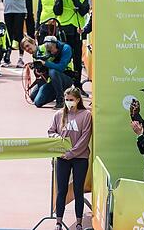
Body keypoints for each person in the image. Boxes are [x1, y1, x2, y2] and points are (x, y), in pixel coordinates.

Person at [48, 87, 91, 230]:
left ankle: (79, 222)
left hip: (80, 158)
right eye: (66, 100)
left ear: (78, 100)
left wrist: (72, 153)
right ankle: (58, 222)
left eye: (71, 100)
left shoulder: (86, 115)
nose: (68, 102)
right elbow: (51, 131)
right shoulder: (59, 115)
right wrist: (57, 138)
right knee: (62, 190)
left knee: (78, 190)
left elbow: (85, 138)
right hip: (62, 158)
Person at [22, 36, 74, 109]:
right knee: (34, 99)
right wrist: (37, 71)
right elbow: (43, 73)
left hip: (66, 77)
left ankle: (60, 100)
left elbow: (61, 68)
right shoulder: (37, 53)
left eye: (27, 46)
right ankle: (54, 92)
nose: (52, 52)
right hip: (51, 79)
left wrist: (45, 63)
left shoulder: (65, 48)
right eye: (25, 48)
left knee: (53, 71)